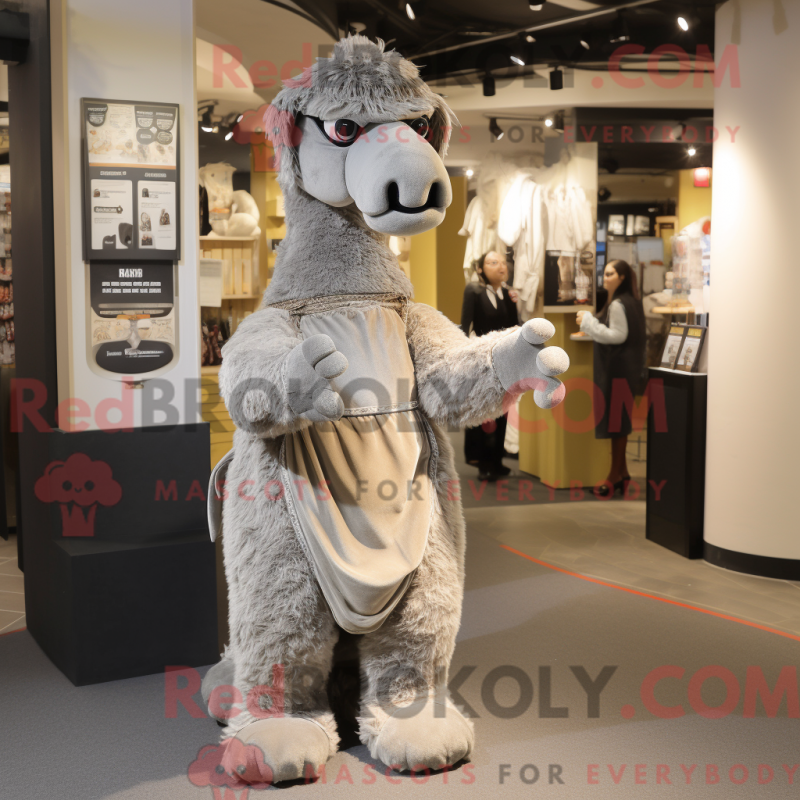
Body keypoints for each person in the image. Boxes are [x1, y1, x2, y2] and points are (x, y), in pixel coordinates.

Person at [576, 259, 646, 497]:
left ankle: (614, 475)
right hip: (627, 369)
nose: (605, 278)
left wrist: (588, 323)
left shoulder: (617, 304)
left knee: (617, 423)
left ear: (622, 277)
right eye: (604, 274)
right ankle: (622, 472)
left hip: (618, 370)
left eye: (610, 274)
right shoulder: (633, 301)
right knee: (620, 422)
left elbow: (617, 335)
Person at [460, 251, 519, 481]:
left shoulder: (508, 293)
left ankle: (496, 460)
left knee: (503, 410)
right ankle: (482, 462)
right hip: (482, 361)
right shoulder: (473, 290)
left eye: (503, 263)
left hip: (505, 360)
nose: (501, 267)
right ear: (480, 269)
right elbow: (465, 324)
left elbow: (515, 327)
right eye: (493, 263)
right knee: (483, 411)